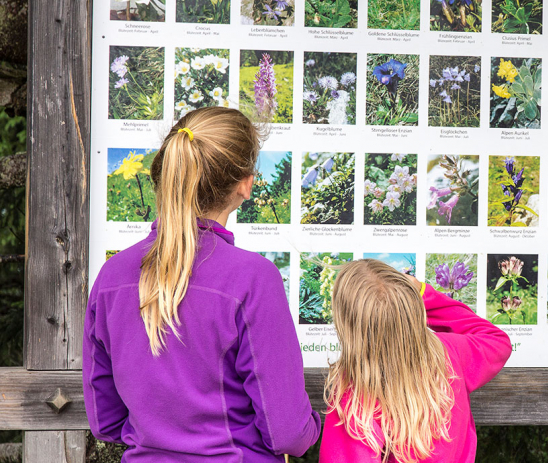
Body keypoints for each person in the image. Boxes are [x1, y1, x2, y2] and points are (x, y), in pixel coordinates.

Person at [83, 107, 320, 461]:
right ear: (246, 182)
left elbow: (105, 420)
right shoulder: (253, 279)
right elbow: (288, 434)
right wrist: (314, 425)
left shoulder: (111, 277)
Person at [319, 259, 512, 462]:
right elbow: (495, 340)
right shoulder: (449, 353)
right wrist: (423, 295)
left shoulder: (356, 391)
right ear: (412, 310)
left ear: (348, 326)